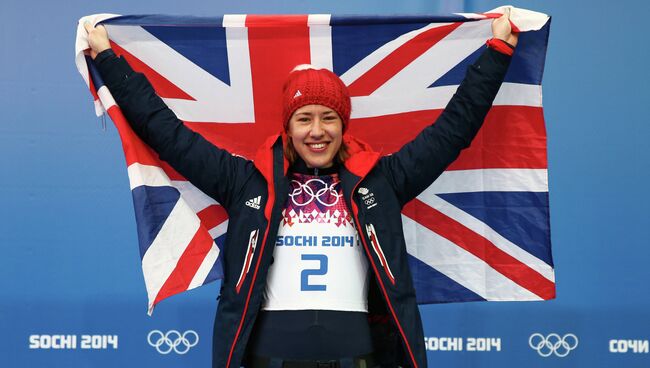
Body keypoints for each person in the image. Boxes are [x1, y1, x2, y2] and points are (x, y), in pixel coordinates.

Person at [85, 10, 518, 368]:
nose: (317, 131)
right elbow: (166, 133)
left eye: (328, 117)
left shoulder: (382, 182)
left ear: (343, 125)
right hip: (266, 358)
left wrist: (497, 53)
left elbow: (453, 129)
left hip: (359, 357)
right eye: (304, 118)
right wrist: (108, 59)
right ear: (287, 127)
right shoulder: (244, 181)